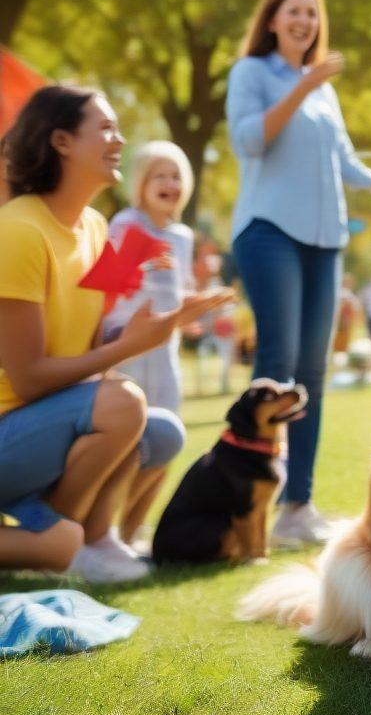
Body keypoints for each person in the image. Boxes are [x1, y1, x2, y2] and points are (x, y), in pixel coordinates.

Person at [0, 86, 226, 581]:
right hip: (11, 432)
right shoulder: (18, 232)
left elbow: (92, 342)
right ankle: (71, 535)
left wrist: (165, 319)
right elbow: (30, 376)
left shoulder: (96, 228)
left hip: (46, 427)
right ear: (61, 141)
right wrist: (129, 347)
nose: (119, 139)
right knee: (124, 401)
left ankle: (86, 538)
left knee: (161, 430)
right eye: (105, 128)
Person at [226, 0, 371, 544]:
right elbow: (251, 141)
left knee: (311, 371)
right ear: (273, 20)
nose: (304, 21)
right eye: (293, 11)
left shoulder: (326, 93)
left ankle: (297, 506)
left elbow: (345, 160)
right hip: (268, 232)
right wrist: (302, 85)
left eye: (312, 12)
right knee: (278, 361)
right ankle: (249, 499)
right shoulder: (252, 74)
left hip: (324, 239)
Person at [101, 141, 198, 544]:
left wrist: (200, 306)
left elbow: (180, 295)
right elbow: (108, 287)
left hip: (166, 354)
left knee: (169, 440)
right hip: (129, 351)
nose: (169, 183)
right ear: (140, 182)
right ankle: (102, 531)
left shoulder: (182, 236)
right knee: (126, 446)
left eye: (176, 176)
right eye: (159, 175)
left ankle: (133, 530)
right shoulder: (125, 224)